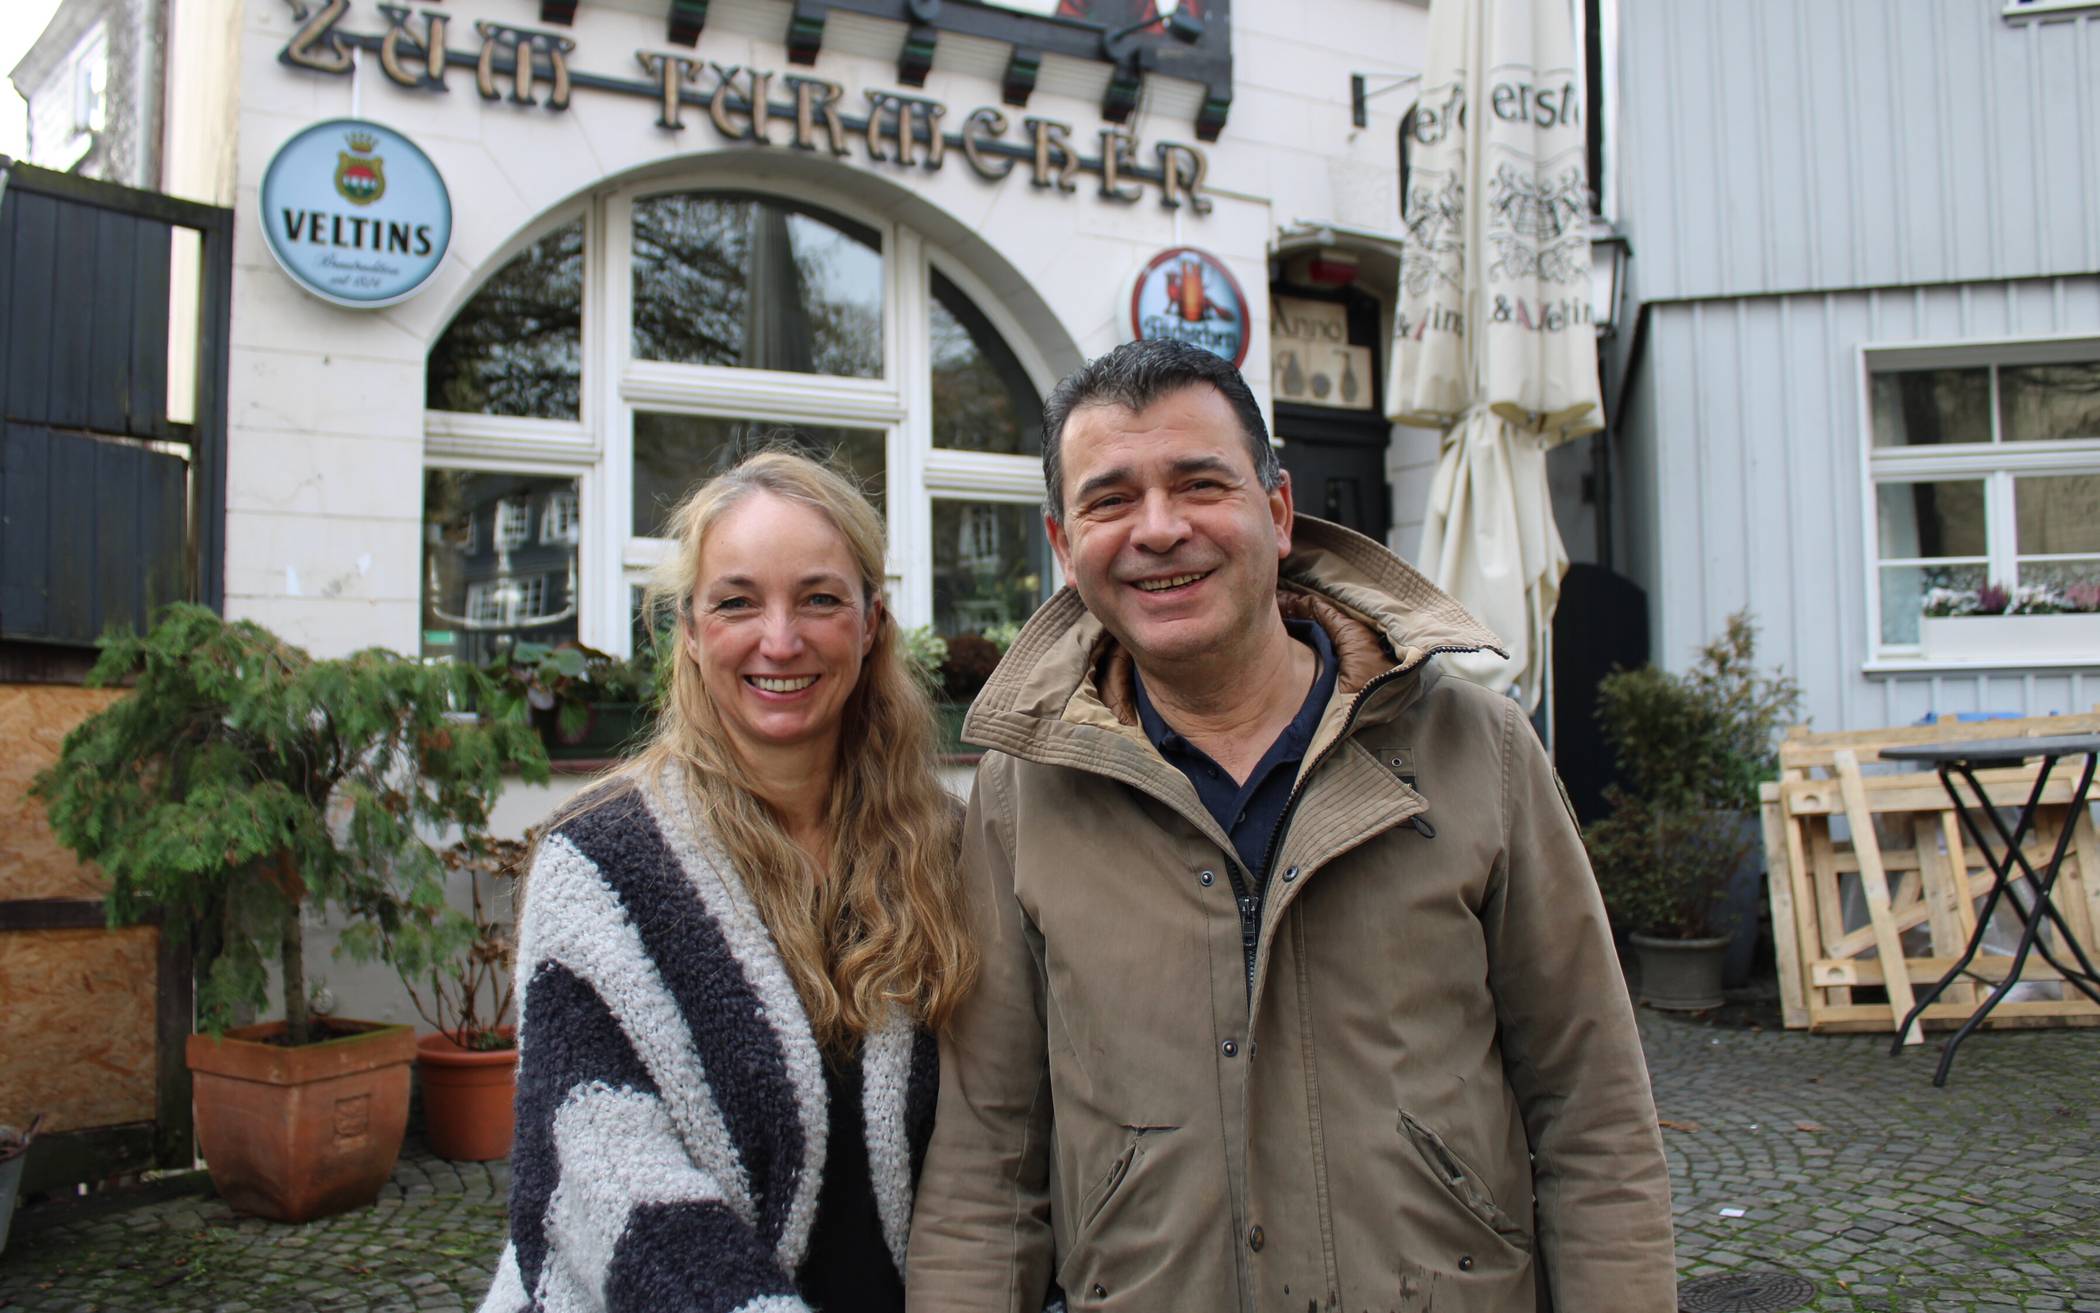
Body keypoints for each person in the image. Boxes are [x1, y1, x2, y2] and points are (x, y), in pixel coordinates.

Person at [905, 339, 1675, 1312]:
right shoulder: (1024, 792)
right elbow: (987, 1164)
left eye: (1198, 483)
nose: (1158, 528)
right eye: (1110, 500)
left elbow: (1594, 1116)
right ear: (1064, 545)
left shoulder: (1477, 748)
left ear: (1275, 510)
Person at [481, 449, 975, 1313]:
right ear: (692, 631)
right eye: (737, 601)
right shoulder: (598, 862)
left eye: (820, 598)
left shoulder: (948, 847)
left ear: (871, 623)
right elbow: (602, 1172)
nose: (778, 640)